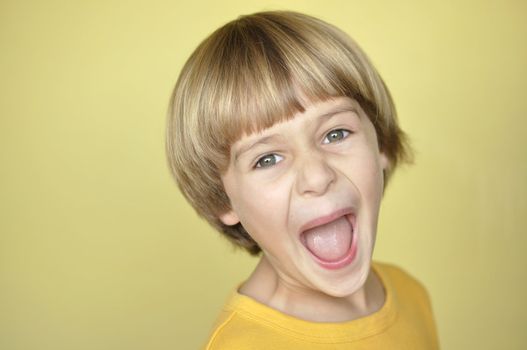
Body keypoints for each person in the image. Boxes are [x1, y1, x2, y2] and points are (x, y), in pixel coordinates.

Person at [165, 10, 439, 349]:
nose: (317, 176)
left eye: (336, 133)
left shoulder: (410, 294)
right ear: (221, 199)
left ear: (380, 142)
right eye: (267, 159)